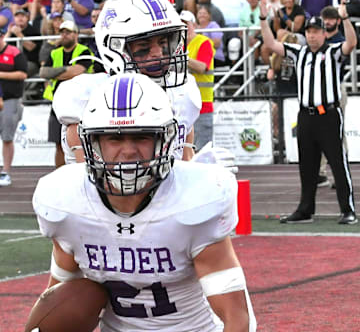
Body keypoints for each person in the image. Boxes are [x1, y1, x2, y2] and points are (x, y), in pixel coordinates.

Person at [32, 72, 257, 332]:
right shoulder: (66, 203)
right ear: (93, 143)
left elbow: (237, 317)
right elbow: (59, 296)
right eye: (114, 138)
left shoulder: (193, 202)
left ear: (164, 141)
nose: (128, 151)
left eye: (141, 137)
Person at [53, 0, 201, 165]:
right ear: (114, 48)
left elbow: (185, 162)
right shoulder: (93, 98)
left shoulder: (181, 94)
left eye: (164, 43)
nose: (158, 54)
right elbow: (89, 183)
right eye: (144, 47)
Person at [259, 0, 358, 225]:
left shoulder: (332, 52)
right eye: (309, 32)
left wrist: (345, 19)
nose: (312, 35)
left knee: (337, 162)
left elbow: (351, 43)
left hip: (329, 114)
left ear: (324, 33)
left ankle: (347, 209)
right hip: (306, 115)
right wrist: (263, 18)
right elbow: (271, 44)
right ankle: (305, 209)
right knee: (307, 164)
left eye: (316, 31)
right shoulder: (298, 52)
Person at [39, 20, 93, 168]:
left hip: (80, 103)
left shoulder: (84, 51)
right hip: (58, 103)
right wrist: (66, 71)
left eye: (68, 32)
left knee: (81, 144)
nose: (64, 35)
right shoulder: (54, 52)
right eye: (62, 32)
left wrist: (55, 73)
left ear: (76, 34)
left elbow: (76, 72)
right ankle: (61, 177)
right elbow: (43, 72)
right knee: (59, 144)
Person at [317, 4, 348, 187]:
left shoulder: (339, 40)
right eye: (325, 18)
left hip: (335, 89)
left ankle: (340, 173)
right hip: (317, 89)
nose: (327, 22)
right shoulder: (317, 39)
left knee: (337, 131)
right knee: (316, 131)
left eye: (331, 19)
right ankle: (320, 173)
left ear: (337, 21)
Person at [181, 10, 215, 151]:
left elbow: (202, 67)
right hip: (183, 104)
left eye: (186, 24)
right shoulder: (178, 46)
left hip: (202, 103)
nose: (183, 28)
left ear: (193, 25)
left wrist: (181, 57)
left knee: (202, 149)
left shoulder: (204, 42)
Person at [0, 27, 27, 187]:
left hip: (11, 100)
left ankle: (6, 172)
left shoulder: (14, 52)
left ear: (3, 36)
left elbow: (23, 74)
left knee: (7, 137)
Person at [5, 8, 41, 78]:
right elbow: (2, 46)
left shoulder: (33, 30)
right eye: (17, 16)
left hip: (30, 61)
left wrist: (19, 35)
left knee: (23, 69)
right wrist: (8, 33)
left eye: (23, 16)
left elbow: (31, 47)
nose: (20, 18)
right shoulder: (11, 32)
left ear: (27, 18)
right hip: (11, 61)